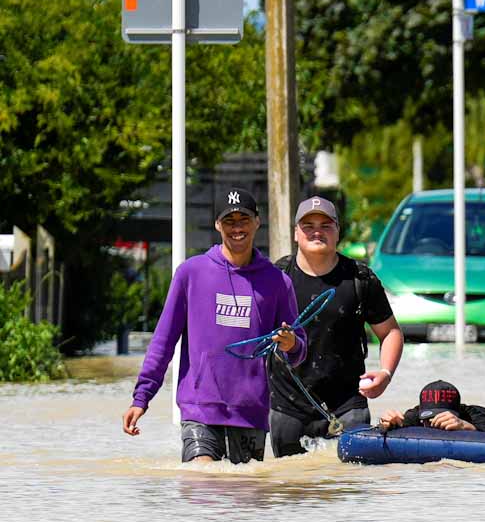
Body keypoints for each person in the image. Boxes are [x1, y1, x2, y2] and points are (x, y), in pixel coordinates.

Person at [121, 188, 307, 464]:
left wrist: (291, 344)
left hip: (251, 412)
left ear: (257, 222)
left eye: (243, 219)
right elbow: (163, 341)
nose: (237, 228)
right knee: (203, 481)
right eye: (229, 221)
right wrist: (141, 397)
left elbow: (299, 350)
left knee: (245, 498)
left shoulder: (278, 282)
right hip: (199, 409)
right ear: (217, 225)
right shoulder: (190, 273)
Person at [269, 195, 404, 456]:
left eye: (325, 225)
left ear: (337, 232)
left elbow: (390, 332)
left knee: (348, 489)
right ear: (296, 233)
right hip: (288, 407)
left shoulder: (359, 278)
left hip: (348, 406)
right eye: (308, 226)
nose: (317, 232)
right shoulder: (276, 277)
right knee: (287, 489)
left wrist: (385, 374)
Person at [377, 379, 485, 434]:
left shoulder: (479, 415)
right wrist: (387, 422)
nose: (436, 424)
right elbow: (383, 428)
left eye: (443, 417)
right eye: (431, 418)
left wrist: (465, 426)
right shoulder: (414, 416)